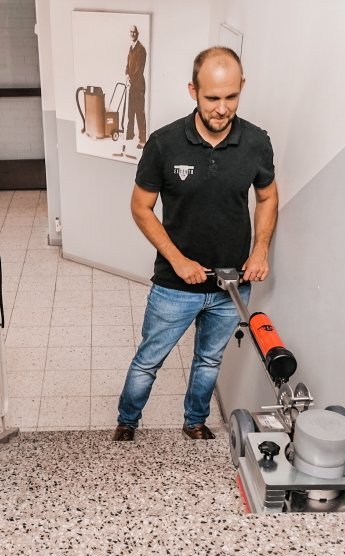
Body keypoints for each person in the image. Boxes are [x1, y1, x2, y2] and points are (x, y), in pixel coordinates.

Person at [113, 46, 279, 441]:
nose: (222, 109)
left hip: (231, 285)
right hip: (174, 286)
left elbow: (268, 196)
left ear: (242, 87)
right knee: (148, 360)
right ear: (193, 91)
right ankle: (127, 423)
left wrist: (260, 250)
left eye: (231, 97)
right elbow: (140, 208)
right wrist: (178, 260)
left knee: (209, 360)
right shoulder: (164, 143)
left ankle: (194, 422)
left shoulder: (257, 142)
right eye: (212, 98)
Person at [125, 25, 147, 149]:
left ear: (137, 34)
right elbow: (127, 65)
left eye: (134, 32)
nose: (132, 34)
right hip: (132, 84)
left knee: (139, 112)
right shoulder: (131, 48)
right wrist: (126, 75)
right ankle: (130, 134)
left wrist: (131, 79)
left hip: (138, 86)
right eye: (131, 32)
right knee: (130, 110)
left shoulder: (141, 49)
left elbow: (139, 70)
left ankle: (143, 140)